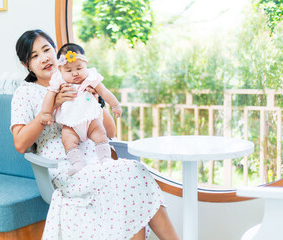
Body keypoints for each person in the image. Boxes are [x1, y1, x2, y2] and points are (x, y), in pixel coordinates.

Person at [11, 29, 180, 240]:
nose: (44, 58)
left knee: (135, 172)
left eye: (46, 50)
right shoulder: (25, 93)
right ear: (26, 65)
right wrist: (53, 105)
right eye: (34, 56)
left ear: (56, 51)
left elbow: (110, 131)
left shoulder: (79, 78)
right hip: (64, 167)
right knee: (129, 176)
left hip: (97, 159)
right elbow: (20, 143)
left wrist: (94, 101)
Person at [40, 43, 122, 176]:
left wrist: (115, 105)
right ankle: (77, 164)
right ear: (60, 70)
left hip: (90, 121)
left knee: (100, 134)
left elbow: (104, 91)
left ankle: (106, 159)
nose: (75, 73)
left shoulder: (90, 78)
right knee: (67, 139)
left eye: (79, 68)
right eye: (69, 70)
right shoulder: (59, 80)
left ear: (85, 65)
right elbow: (49, 95)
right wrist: (46, 113)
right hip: (70, 124)